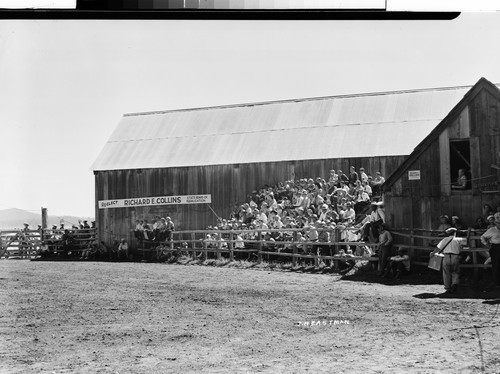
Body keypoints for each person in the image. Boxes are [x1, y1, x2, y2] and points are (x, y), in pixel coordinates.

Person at [436, 227, 466, 294]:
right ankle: (454, 284)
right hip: (455, 256)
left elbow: (438, 248)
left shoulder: (444, 239)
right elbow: (466, 243)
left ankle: (447, 287)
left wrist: (432, 254)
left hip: (446, 256)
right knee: (455, 271)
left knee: (446, 272)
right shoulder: (459, 240)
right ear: (455, 233)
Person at [481, 218, 500, 288]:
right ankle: (497, 283)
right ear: (496, 223)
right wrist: (486, 243)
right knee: (496, 265)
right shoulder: (492, 230)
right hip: (495, 248)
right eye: (498, 223)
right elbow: (482, 237)